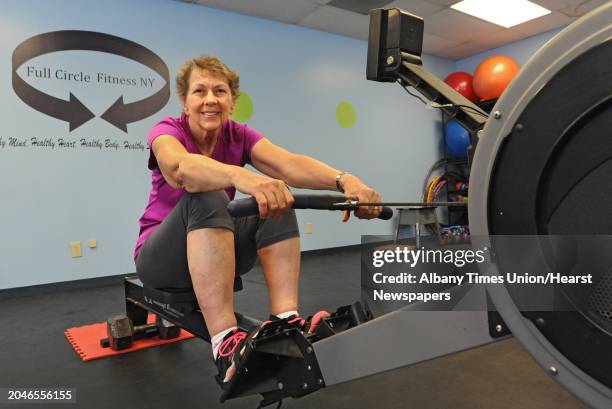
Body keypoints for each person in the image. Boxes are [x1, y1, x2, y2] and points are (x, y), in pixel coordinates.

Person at [134, 55, 382, 387]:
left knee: (278, 197)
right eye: (199, 91)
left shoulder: (238, 135)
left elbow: (288, 164)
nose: (210, 99)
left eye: (220, 91)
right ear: (185, 101)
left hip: (214, 249)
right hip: (161, 261)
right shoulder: (167, 131)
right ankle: (224, 343)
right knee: (208, 194)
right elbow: (181, 170)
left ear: (232, 102)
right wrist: (245, 179)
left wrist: (345, 180)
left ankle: (286, 320)